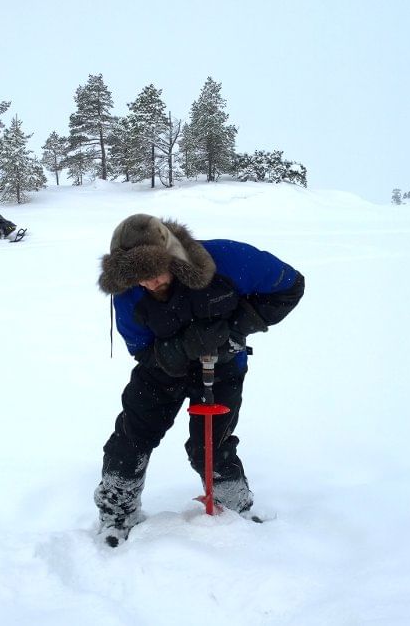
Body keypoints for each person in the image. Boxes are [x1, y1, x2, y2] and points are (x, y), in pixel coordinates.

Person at [94, 213, 305, 547]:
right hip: (162, 371)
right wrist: (178, 350)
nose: (148, 285)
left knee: (210, 446)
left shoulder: (226, 260)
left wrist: (234, 330)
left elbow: (290, 286)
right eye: (138, 280)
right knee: (132, 438)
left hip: (224, 366)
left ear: (172, 256)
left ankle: (236, 509)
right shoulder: (127, 294)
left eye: (152, 274)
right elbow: (140, 348)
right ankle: (116, 515)